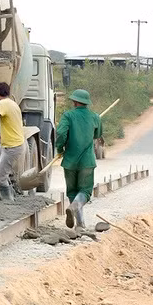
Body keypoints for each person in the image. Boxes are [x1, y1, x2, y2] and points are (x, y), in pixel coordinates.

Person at [55, 89, 102, 229]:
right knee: (85, 191)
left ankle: (80, 224)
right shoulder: (95, 117)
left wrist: (60, 149)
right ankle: (76, 208)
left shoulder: (67, 116)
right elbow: (97, 135)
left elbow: (61, 133)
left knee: (72, 192)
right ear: (87, 103)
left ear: (74, 102)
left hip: (70, 161)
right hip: (87, 161)